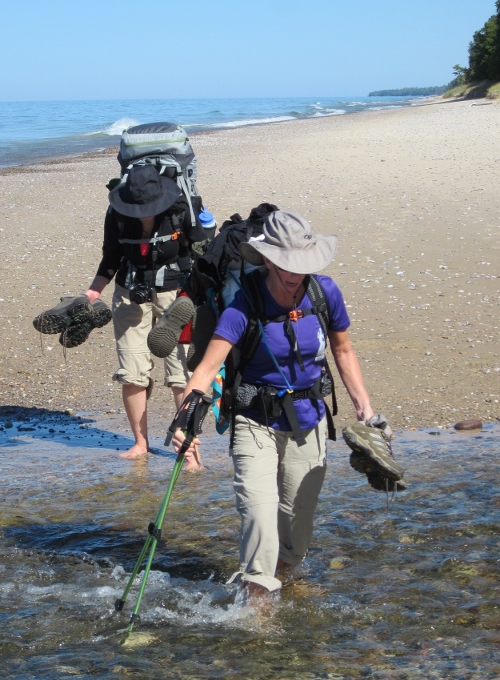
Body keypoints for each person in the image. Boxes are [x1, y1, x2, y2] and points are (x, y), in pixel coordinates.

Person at [171, 209, 387, 597]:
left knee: (296, 532)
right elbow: (207, 369)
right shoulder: (243, 304)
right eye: (286, 265)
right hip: (254, 421)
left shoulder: (325, 293)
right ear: (267, 259)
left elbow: (343, 350)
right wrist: (183, 420)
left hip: (309, 421)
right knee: (258, 515)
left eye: (301, 266)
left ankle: (277, 579)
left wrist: (366, 411)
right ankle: (258, 609)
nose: (294, 275)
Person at [85, 164, 202, 462]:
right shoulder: (116, 215)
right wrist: (92, 293)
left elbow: (202, 252)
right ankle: (140, 444)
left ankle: (189, 449)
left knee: (181, 373)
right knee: (132, 372)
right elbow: (110, 258)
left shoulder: (180, 209)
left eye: (150, 207)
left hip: (178, 293)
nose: (144, 213)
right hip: (129, 292)